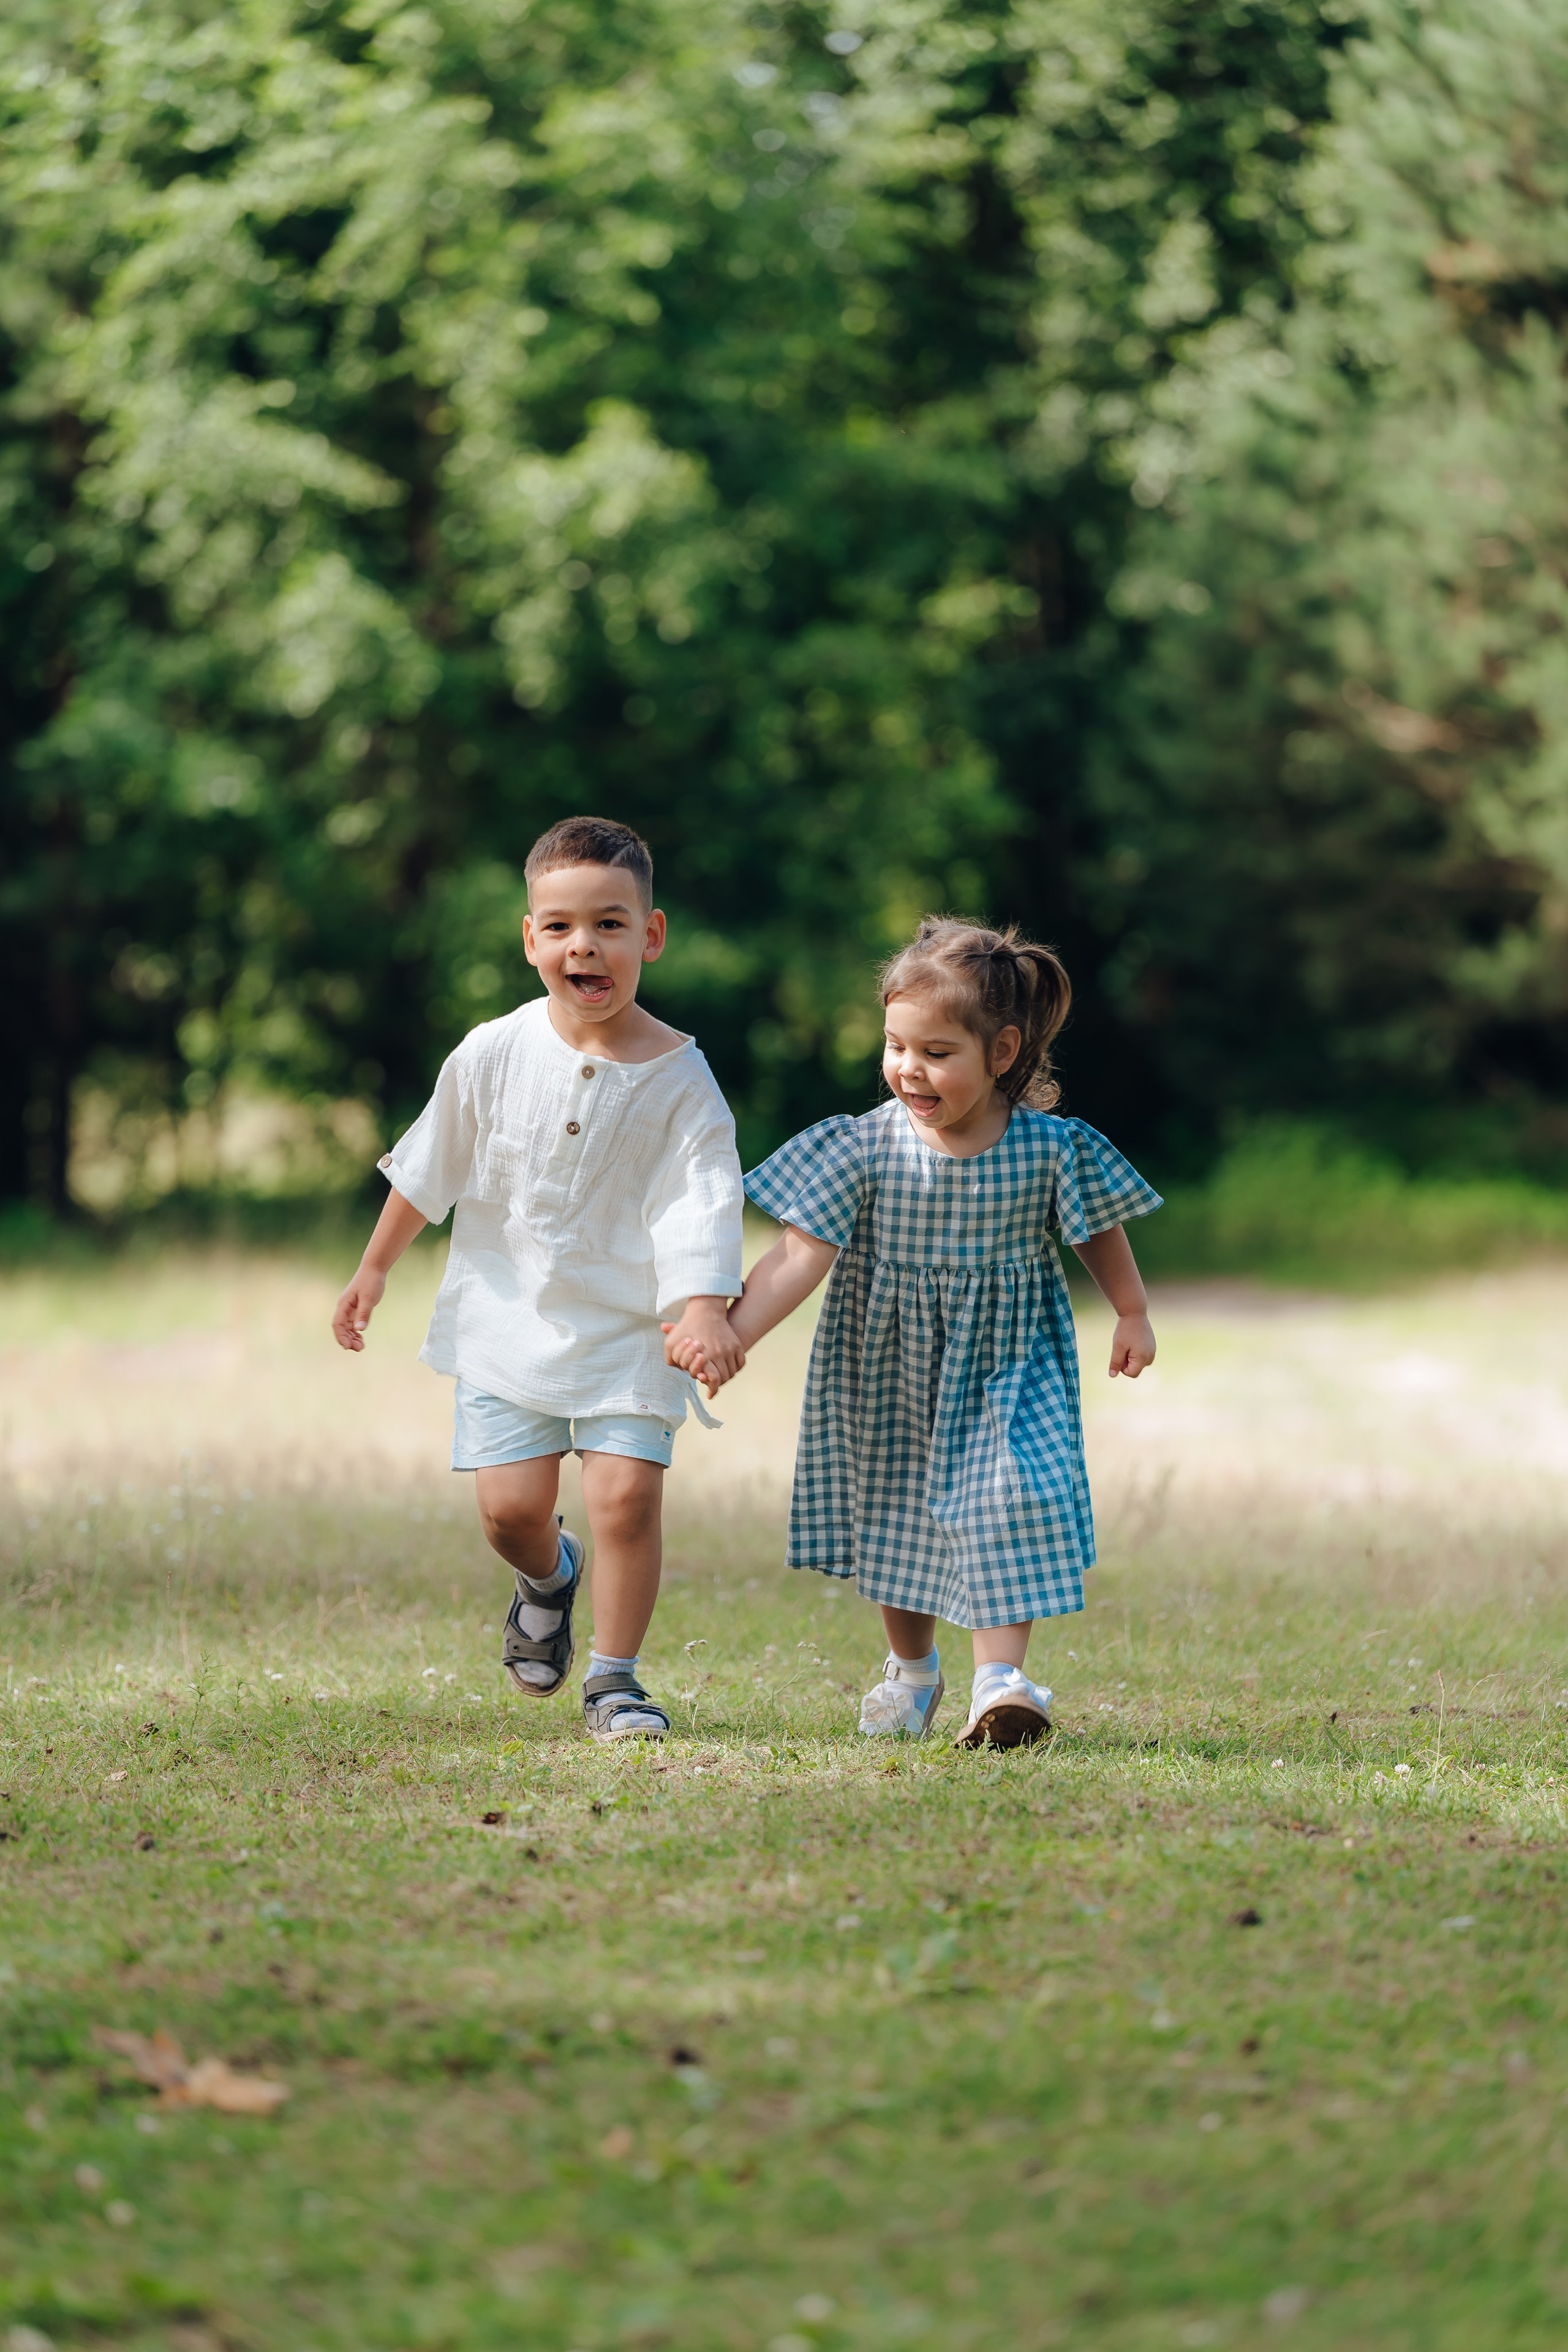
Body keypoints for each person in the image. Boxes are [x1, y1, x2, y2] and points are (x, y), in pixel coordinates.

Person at [668, 916, 1160, 1748]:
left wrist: (1133, 1311)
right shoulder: (862, 1148)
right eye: (896, 1047)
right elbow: (797, 1257)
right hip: (887, 1368)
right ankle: (913, 1672)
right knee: (896, 1517)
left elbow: (1096, 1231)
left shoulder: (1049, 1148)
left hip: (1011, 1364)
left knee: (1008, 1498)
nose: (908, 1069)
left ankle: (1002, 1681)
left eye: (936, 1052)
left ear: (1002, 1054)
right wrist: (730, 1332)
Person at [331, 816, 744, 1743]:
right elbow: (430, 1166)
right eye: (558, 926)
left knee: (627, 1498)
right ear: (530, 940)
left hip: (632, 1332)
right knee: (510, 1512)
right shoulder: (492, 1051)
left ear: (652, 935)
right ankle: (548, 1576)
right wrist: (373, 1269)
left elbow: (701, 1201)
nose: (583, 944)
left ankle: (616, 1682)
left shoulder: (683, 1081)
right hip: (505, 1321)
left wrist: (706, 1308)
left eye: (608, 922)